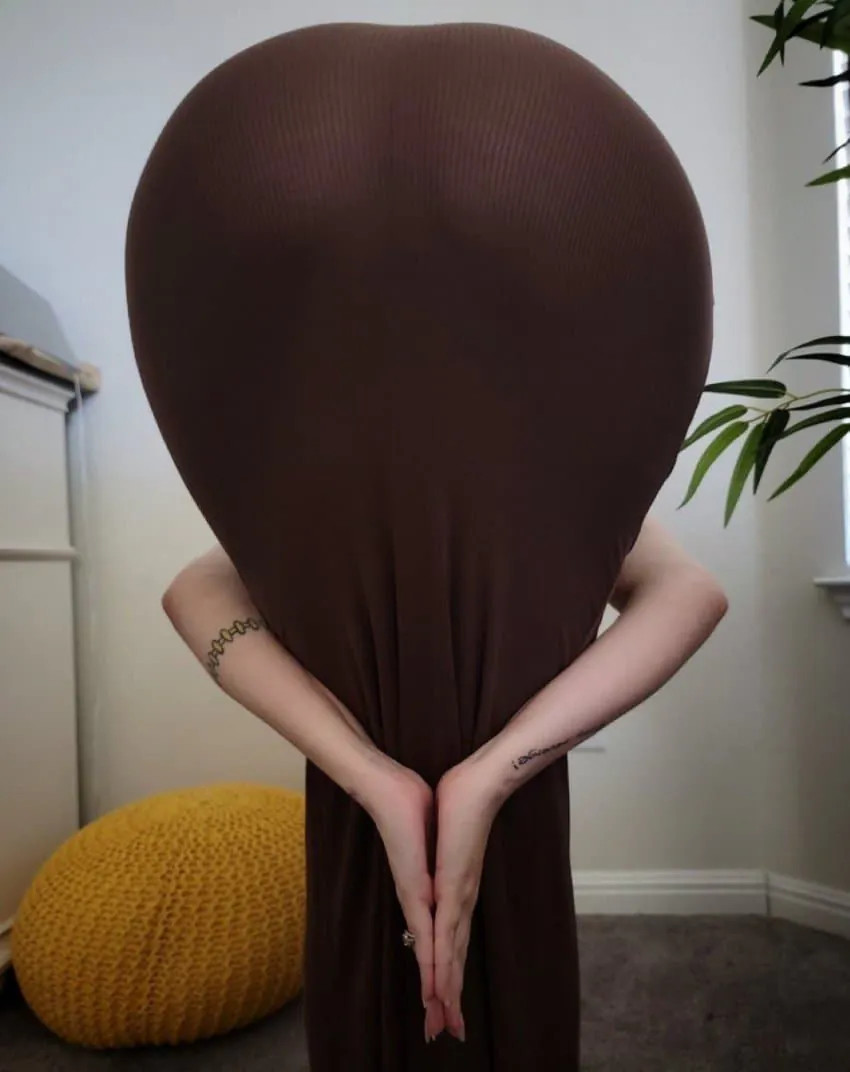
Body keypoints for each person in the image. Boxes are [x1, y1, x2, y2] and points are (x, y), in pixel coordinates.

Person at [125, 21, 718, 1069]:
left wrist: (416, 779)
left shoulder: (519, 478)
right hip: (441, 811)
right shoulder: (499, 478)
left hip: (403, 815)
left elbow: (195, 591)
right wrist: (451, 778)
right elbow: (686, 590)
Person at [161, 514, 727, 1048]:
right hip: (423, 816)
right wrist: (465, 776)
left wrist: (385, 775)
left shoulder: (331, 466)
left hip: (452, 816)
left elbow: (198, 589)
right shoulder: (536, 455)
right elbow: (196, 590)